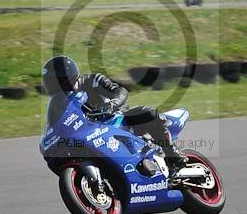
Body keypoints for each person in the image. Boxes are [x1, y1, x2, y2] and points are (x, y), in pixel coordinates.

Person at [42, 55, 186, 167]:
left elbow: (120, 91)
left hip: (117, 120)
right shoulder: (57, 103)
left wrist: (113, 103)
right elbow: (56, 125)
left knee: (147, 113)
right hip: (89, 134)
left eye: (54, 81)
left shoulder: (92, 80)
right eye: (49, 82)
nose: (53, 85)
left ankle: (172, 154)